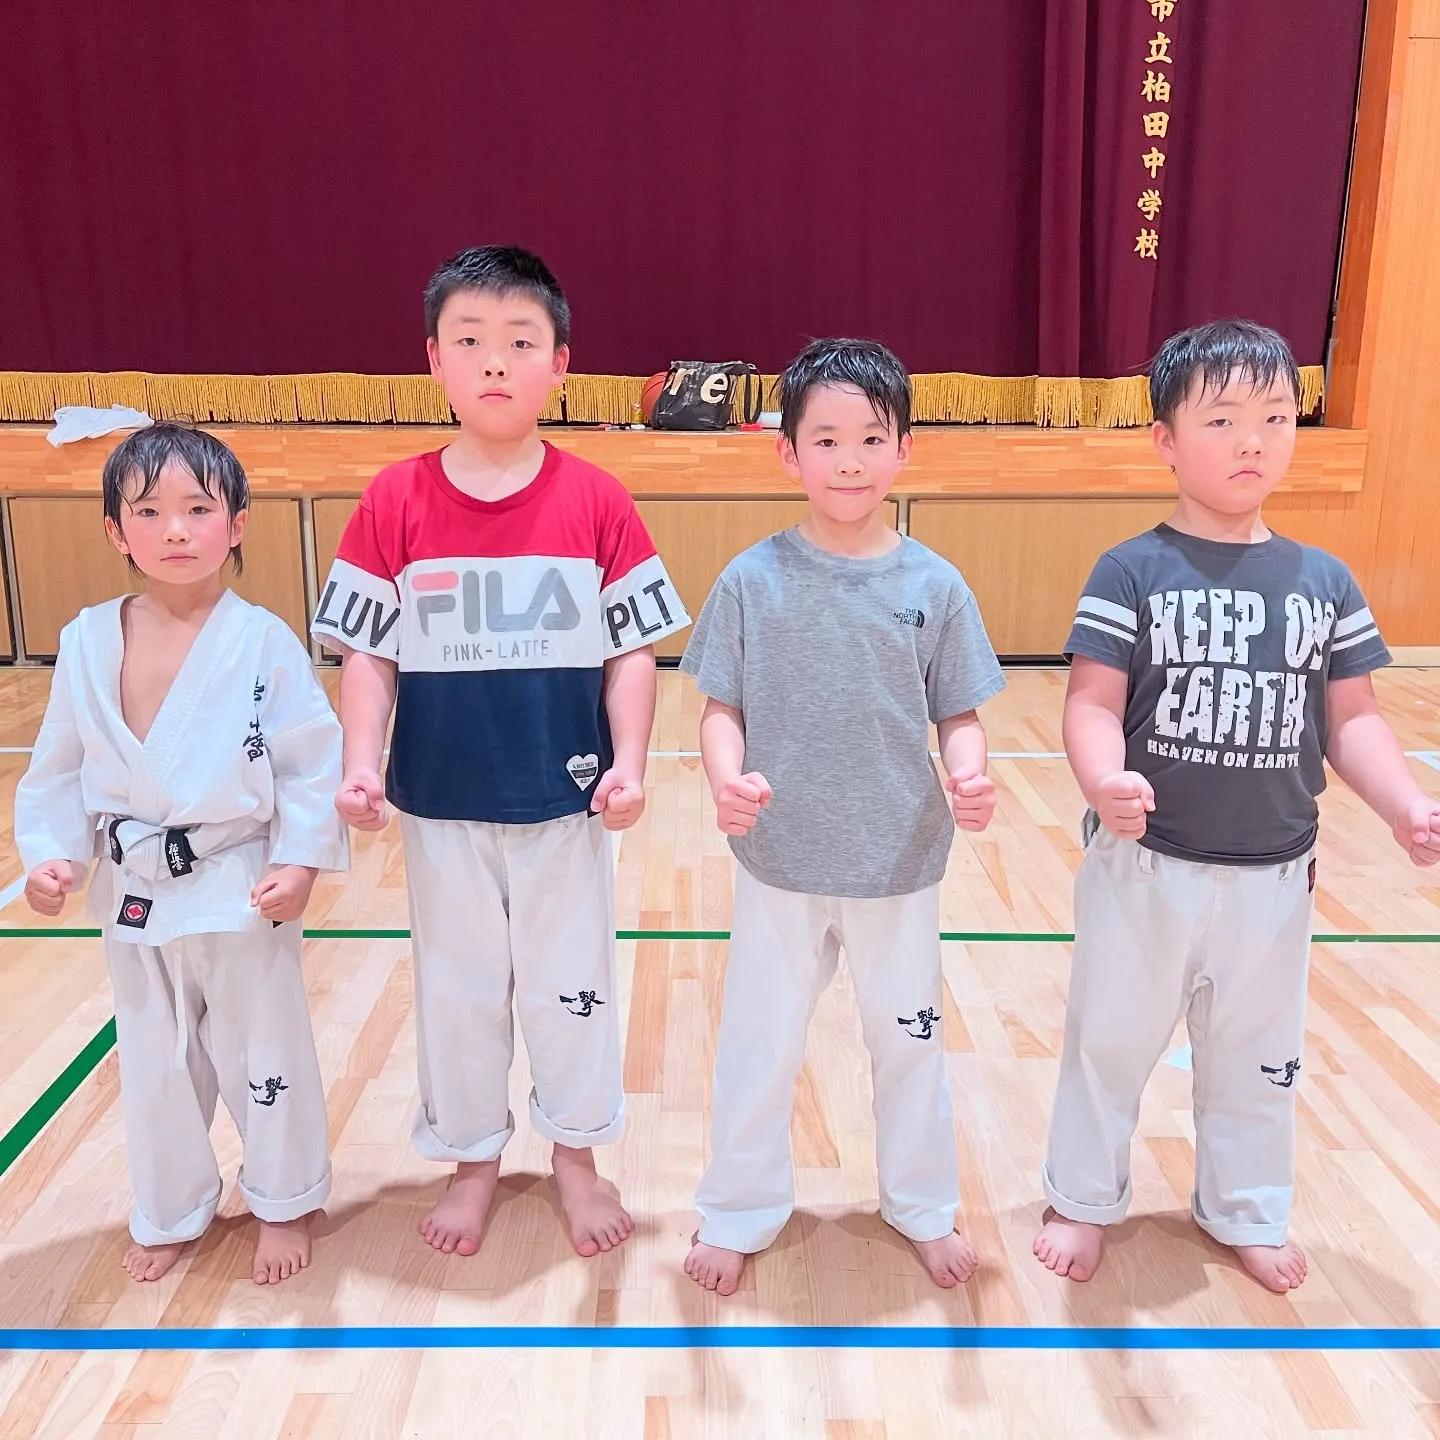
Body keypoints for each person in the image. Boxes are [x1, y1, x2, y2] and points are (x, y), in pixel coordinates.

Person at [1034, 319, 1440, 1292]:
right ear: (1166, 439)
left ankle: (1245, 1208)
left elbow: (1353, 722)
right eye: (1221, 419)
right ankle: (1082, 1197)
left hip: (1273, 876)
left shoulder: (1323, 581)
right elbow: (1089, 702)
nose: (1254, 439)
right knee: (1110, 1043)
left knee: (1261, 1062)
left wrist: (1402, 802)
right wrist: (1105, 780)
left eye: (1273, 415)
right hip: (1147, 868)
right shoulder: (1132, 570)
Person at [314, 245, 690, 1259]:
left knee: (573, 987)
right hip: (440, 806)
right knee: (460, 989)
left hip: (563, 807)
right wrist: (361, 760)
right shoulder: (391, 501)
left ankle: (576, 1156)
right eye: (470, 342)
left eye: (520, 343)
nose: (494, 363)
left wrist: (630, 762)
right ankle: (473, 1158)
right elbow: (366, 653)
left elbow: (635, 652)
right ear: (433, 360)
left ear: (559, 364)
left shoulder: (599, 501)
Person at [679, 338, 1005, 1295]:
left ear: (905, 447)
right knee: (758, 1048)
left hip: (899, 862)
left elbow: (960, 712)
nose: (851, 459)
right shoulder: (752, 578)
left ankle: (922, 1207)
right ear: (789, 454)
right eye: (827, 439)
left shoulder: (935, 586)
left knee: (909, 1044)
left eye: (872, 437)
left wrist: (971, 775)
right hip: (779, 863)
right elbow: (718, 708)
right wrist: (725, 780)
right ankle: (737, 1210)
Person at [16, 424, 348, 1286]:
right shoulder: (87, 641)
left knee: (261, 1047)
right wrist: (55, 855)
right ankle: (171, 1208)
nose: (174, 530)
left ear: (236, 523)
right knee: (155, 1058)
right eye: (149, 511)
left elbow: (312, 759)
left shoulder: (261, 639)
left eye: (198, 509)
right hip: (132, 887)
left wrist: (303, 859)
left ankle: (285, 1199)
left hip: (237, 879)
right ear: (114, 532)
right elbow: (58, 763)